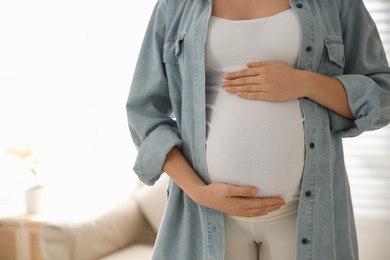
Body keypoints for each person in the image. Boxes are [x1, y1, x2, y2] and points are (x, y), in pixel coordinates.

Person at [126, 0, 390, 259]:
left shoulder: (336, 4)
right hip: (205, 215)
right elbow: (144, 113)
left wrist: (305, 83)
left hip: (304, 214)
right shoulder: (176, 6)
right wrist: (199, 192)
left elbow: (383, 97)